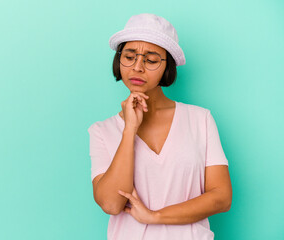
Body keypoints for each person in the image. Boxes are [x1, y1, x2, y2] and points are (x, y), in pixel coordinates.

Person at [87, 13, 232, 240]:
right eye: (129, 56)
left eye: (151, 60)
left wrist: (154, 216)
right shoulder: (101, 131)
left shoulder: (200, 119)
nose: (137, 67)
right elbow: (111, 204)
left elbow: (221, 197)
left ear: (167, 67)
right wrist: (129, 131)